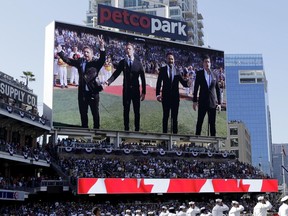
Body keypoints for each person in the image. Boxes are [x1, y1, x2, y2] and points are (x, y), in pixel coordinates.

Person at [57, 35, 106, 129]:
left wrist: (102, 47)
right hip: (82, 93)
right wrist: (60, 52)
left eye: (87, 52)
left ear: (92, 54)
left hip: (93, 93)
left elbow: (102, 59)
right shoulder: (80, 62)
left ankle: (96, 130)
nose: (85, 54)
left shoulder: (96, 63)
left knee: (95, 113)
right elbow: (68, 61)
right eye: (84, 52)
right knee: (83, 113)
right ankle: (84, 129)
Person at [106, 43, 146, 131]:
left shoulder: (138, 63)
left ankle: (137, 129)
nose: (128, 50)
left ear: (133, 50)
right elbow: (116, 74)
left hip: (136, 91)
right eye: (126, 49)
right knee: (126, 110)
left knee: (136, 111)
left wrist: (143, 92)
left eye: (129, 49)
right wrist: (108, 81)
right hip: (126, 91)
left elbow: (143, 78)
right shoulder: (122, 62)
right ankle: (126, 129)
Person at [156, 52, 189, 134]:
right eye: (169, 58)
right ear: (166, 59)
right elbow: (159, 83)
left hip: (175, 98)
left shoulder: (178, 71)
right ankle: (164, 136)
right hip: (166, 97)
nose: (171, 60)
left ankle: (174, 136)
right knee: (165, 117)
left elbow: (184, 83)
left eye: (172, 59)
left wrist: (188, 82)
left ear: (174, 60)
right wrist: (157, 94)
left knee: (175, 118)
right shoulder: (162, 70)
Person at [192, 54, 221, 136]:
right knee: (199, 123)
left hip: (212, 104)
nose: (207, 63)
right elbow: (196, 88)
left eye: (208, 62)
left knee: (212, 125)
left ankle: (214, 145)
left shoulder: (215, 75)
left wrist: (219, 103)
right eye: (205, 62)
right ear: (203, 63)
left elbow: (218, 89)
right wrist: (194, 101)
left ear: (210, 63)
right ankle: (196, 140)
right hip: (202, 102)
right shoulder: (199, 74)